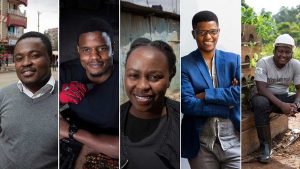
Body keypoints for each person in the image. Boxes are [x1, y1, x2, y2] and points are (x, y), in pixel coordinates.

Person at [181, 11, 241, 169]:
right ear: (193, 34)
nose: (208, 37)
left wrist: (206, 94)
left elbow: (239, 94)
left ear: (218, 32)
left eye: (213, 32)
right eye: (202, 32)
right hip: (200, 145)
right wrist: (225, 107)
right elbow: (187, 104)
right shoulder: (185, 64)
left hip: (234, 141)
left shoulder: (233, 60)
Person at [59, 18, 119, 169]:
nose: (94, 57)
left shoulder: (126, 79)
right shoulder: (66, 71)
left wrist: (71, 132)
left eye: (102, 49)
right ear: (78, 50)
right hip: (74, 138)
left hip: (109, 141)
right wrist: (58, 99)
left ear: (113, 48)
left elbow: (127, 146)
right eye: (86, 50)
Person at [0, 31, 58, 169]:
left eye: (34, 56)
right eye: (19, 58)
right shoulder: (2, 95)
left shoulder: (69, 97)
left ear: (51, 59)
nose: (25, 63)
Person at [120, 38, 180, 169]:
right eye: (133, 75)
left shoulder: (185, 119)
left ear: (170, 78)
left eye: (154, 77)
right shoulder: (112, 120)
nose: (142, 86)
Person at [250, 34, 300, 163]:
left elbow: (299, 89)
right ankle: (266, 147)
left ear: (292, 53)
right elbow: (261, 88)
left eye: (287, 52)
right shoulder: (264, 62)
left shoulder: (296, 65)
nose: (283, 55)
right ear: (274, 51)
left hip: (283, 97)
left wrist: (296, 104)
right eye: (280, 51)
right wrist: (283, 105)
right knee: (260, 102)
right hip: (263, 97)